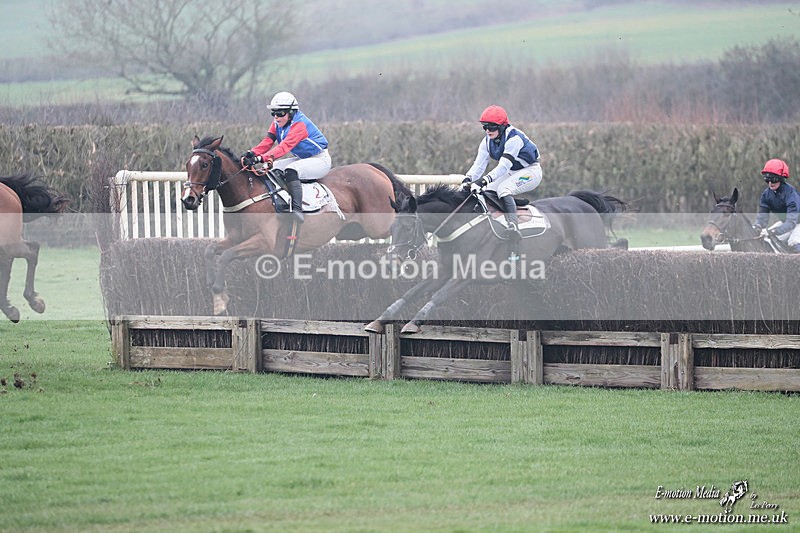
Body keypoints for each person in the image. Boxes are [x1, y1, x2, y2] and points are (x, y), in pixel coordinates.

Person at [240, 91, 331, 223]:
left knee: (291, 170)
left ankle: (297, 209)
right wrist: (252, 153)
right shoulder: (277, 122)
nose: (276, 117)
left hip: (320, 160)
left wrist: (260, 159)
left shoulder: (299, 125)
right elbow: (268, 141)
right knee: (273, 169)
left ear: (292, 112)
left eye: (280, 113)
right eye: (274, 113)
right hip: (303, 159)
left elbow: (284, 147)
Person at [461, 105, 542, 241]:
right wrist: (468, 179)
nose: (487, 131)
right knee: (484, 191)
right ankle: (503, 212)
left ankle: (513, 226)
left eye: (491, 127)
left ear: (502, 126)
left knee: (503, 189)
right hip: (512, 172)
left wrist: (484, 180)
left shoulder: (514, 138)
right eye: (484, 127)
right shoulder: (486, 141)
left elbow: (503, 166)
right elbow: (479, 166)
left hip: (531, 171)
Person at [752, 158, 800, 253]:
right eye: (767, 179)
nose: (770, 183)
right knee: (765, 239)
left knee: (793, 242)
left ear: (781, 179)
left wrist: (772, 232)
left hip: (796, 223)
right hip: (786, 223)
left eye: (773, 179)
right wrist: (757, 226)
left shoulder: (791, 194)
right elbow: (762, 218)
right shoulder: (766, 195)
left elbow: (791, 223)